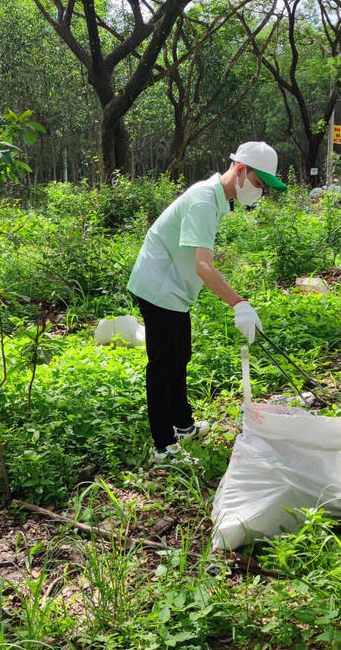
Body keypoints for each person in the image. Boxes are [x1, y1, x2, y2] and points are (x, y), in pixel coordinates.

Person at [127, 141, 287, 462]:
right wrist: (238, 303)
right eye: (258, 184)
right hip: (158, 288)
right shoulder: (203, 200)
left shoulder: (216, 199)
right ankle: (163, 446)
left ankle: (183, 424)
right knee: (162, 366)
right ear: (241, 171)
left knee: (180, 356)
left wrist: (236, 301)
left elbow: (199, 262)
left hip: (175, 290)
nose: (259, 193)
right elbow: (203, 265)